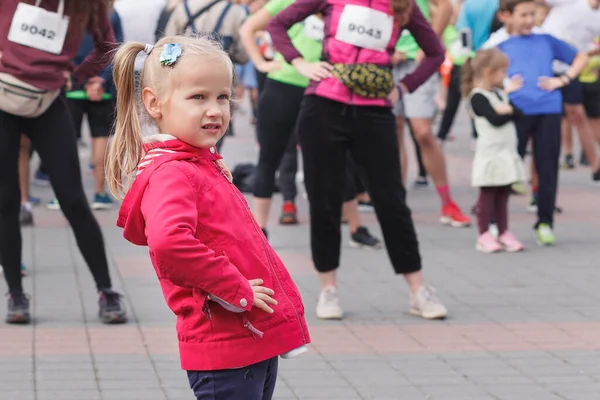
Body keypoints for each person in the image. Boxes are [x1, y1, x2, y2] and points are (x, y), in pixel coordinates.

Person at [107, 35, 310, 400]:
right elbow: (170, 243)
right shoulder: (174, 174)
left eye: (222, 97)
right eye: (198, 97)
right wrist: (237, 290)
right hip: (226, 341)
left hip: (247, 336)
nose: (215, 109)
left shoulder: (199, 163)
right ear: (154, 103)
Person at [267, 0, 449, 320]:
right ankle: (328, 289)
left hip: (375, 113)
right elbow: (277, 24)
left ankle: (418, 289)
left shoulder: (402, 5)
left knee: (391, 201)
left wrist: (404, 87)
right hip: (323, 108)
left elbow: (435, 52)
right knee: (324, 200)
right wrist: (299, 62)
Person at [0, 0, 127, 324]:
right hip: (3, 100)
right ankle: (15, 292)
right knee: (6, 201)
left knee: (73, 199)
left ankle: (107, 290)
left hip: (49, 102)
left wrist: (77, 75)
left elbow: (107, 45)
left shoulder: (86, 5)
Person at [495, 0, 588, 245]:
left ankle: (545, 222)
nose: (529, 20)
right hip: (514, 112)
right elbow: (478, 76)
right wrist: (503, 87)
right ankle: (496, 224)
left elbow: (580, 57)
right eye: (523, 15)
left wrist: (564, 79)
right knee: (506, 167)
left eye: (532, 14)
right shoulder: (496, 44)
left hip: (548, 109)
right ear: (506, 16)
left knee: (547, 167)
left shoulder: (545, 38)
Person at [462, 49, 526, 252]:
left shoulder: (499, 94)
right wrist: (506, 111)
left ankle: (503, 230)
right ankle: (484, 234)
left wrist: (507, 109)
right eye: (501, 72)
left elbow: (519, 113)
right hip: (490, 152)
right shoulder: (477, 97)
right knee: (488, 193)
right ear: (488, 72)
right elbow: (495, 118)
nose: (504, 77)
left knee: (503, 192)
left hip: (506, 151)